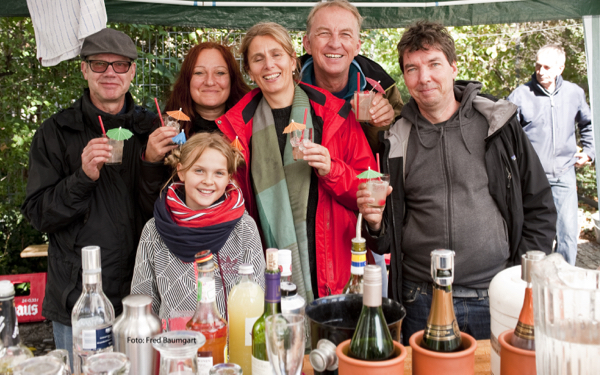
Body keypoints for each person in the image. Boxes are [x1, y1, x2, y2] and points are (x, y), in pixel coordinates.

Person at [357, 21, 556, 343]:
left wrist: (521, 278)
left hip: (494, 293)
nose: (424, 78)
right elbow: (385, 240)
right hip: (420, 298)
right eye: (412, 69)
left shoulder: (497, 125)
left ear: (453, 67)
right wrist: (376, 224)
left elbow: (540, 204)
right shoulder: (396, 139)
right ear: (404, 77)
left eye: (434, 64)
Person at [21, 28, 165, 358]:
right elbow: (39, 214)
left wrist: (152, 163)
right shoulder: (56, 132)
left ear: (132, 71)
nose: (110, 73)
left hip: (143, 298)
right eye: (99, 64)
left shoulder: (151, 129)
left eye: (120, 64)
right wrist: (83, 178)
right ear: (84, 69)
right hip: (80, 303)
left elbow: (164, 211)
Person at [217, 22, 376, 302]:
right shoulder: (237, 130)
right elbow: (233, 209)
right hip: (270, 273)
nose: (269, 65)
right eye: (258, 58)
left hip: (336, 273)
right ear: (250, 71)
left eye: (276, 54)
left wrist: (332, 169)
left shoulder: (334, 113)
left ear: (293, 61)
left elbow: (371, 191)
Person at [301, 0, 402, 295]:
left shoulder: (379, 86)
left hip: (356, 229)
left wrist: (384, 123)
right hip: (300, 228)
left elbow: (395, 155)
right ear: (306, 43)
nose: (335, 43)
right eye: (324, 33)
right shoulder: (285, 83)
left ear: (358, 45)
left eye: (345, 34)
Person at [131, 133, 265, 321]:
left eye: (219, 173)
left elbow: (258, 299)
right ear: (181, 171)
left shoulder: (244, 228)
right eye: (199, 170)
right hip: (174, 339)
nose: (208, 181)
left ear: (228, 178)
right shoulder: (153, 231)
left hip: (231, 339)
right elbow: (141, 307)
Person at [508, 44, 594, 265]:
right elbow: (506, 135)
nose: (540, 71)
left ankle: (562, 278)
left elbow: (588, 124)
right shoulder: (520, 95)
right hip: (531, 178)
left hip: (564, 174)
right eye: (538, 66)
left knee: (567, 235)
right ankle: (532, 277)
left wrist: (590, 152)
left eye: (547, 67)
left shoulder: (574, 93)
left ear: (560, 68)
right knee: (534, 232)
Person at [143, 42, 251, 164]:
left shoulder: (251, 126)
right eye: (199, 73)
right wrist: (150, 160)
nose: (209, 82)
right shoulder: (168, 127)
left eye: (220, 73)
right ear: (187, 80)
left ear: (232, 79)